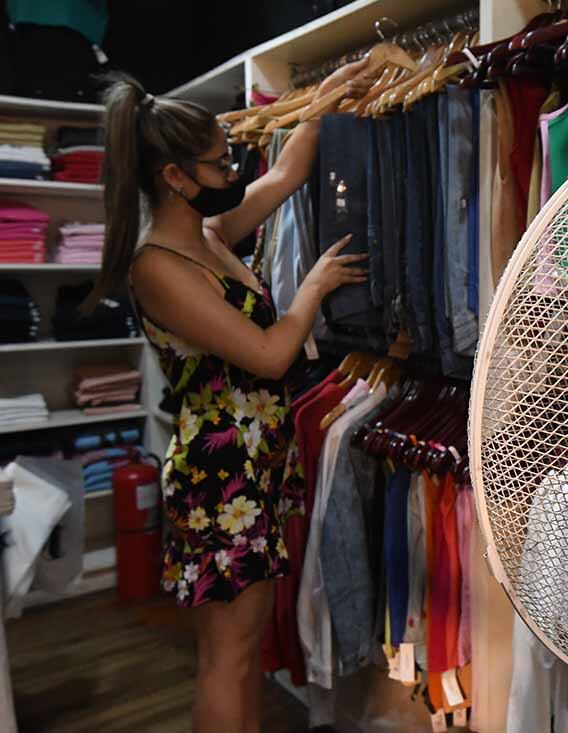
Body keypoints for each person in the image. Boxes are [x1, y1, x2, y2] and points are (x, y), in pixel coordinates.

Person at [92, 62, 372, 733]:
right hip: (219, 480)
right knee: (228, 654)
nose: (234, 174)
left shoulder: (209, 238)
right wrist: (312, 287)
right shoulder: (158, 267)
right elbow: (271, 353)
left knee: (246, 651)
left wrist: (322, 102)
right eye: (220, 167)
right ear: (175, 179)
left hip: (253, 468)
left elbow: (284, 177)